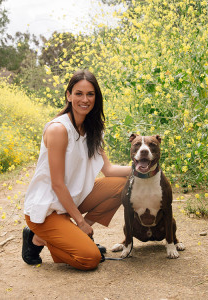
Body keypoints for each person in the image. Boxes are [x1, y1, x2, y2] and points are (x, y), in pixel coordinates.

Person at [22, 70, 131, 271]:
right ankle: (38, 238)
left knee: (122, 185)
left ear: (96, 98)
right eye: (79, 93)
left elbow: (108, 170)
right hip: (47, 209)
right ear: (68, 95)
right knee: (90, 259)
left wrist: (143, 169)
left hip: (70, 201)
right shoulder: (58, 130)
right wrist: (81, 223)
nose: (85, 99)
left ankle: (73, 237)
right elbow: (56, 184)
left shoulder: (93, 128)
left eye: (90, 94)